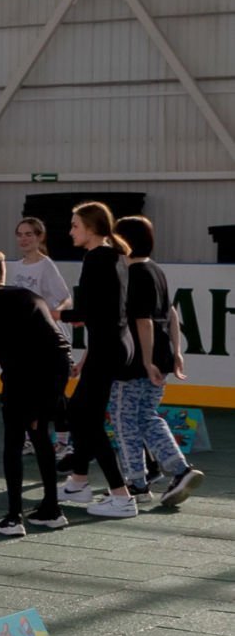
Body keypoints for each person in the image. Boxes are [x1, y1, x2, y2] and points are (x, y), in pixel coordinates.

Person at [0, 251, 72, 536]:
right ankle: (52, 509)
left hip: (29, 371)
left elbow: (9, 351)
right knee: (40, 435)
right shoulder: (28, 295)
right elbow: (50, 340)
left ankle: (14, 518)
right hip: (58, 367)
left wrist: (25, 398)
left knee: (13, 441)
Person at [111, 215, 203, 507]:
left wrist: (147, 360)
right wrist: (176, 351)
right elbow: (171, 313)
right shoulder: (156, 270)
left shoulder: (134, 274)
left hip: (136, 361)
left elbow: (144, 321)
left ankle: (136, 482)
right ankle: (177, 469)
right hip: (160, 356)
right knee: (146, 416)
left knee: (124, 419)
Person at [58, 202, 138, 518]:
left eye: (75, 225)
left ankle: (121, 496)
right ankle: (78, 482)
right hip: (113, 346)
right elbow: (105, 312)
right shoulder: (114, 256)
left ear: (91, 228)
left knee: (84, 418)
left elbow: (89, 312)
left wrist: (54, 314)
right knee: (81, 414)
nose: (71, 231)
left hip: (108, 349)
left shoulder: (97, 257)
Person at [10, 216, 74, 460]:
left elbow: (66, 298)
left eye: (29, 234)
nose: (24, 239)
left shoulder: (46, 266)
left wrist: (54, 313)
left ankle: (63, 442)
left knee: (53, 393)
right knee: (28, 391)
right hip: (27, 340)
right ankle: (31, 438)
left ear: (39, 237)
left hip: (50, 339)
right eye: (20, 234)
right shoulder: (16, 267)